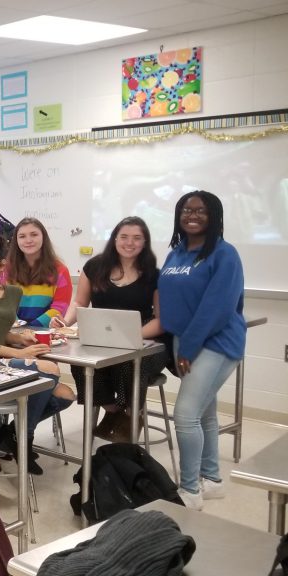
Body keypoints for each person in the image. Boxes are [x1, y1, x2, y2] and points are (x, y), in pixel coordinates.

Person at [0, 228, 75, 487]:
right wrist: (19, 353)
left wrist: (21, 338)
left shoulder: (12, 294)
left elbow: (0, 330)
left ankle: (15, 436)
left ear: (1, 266)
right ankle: (16, 441)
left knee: (64, 392)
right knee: (47, 369)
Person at [158, 190, 245, 510]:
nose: (192, 215)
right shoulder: (176, 253)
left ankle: (190, 490)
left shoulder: (225, 254)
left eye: (201, 211)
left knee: (185, 415)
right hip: (185, 340)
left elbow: (217, 308)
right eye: (186, 210)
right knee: (205, 411)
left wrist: (190, 346)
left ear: (215, 217)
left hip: (216, 343)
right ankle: (212, 479)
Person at [51, 217, 166, 442]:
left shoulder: (154, 274)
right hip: (101, 342)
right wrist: (65, 322)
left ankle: (131, 414)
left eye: (136, 238)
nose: (129, 243)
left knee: (129, 364)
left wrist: (131, 336)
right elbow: (80, 303)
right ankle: (115, 412)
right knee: (81, 364)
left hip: (144, 344)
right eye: (124, 237)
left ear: (145, 242)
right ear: (114, 239)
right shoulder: (95, 267)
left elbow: (161, 320)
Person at [7, 217, 72, 327]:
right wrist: (19, 327)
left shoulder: (61, 271)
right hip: (13, 333)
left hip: (45, 334)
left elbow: (59, 307)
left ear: (43, 237)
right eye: (22, 236)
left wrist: (32, 327)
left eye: (34, 234)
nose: (28, 240)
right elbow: (4, 304)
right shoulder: (6, 270)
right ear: (16, 241)